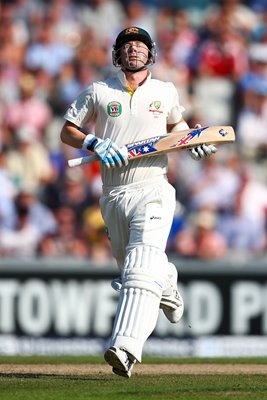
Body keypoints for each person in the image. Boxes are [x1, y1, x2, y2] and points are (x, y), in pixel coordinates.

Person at [60, 26, 217, 378]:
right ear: (117, 54)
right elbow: (67, 129)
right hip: (113, 194)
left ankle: (125, 347)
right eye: (127, 45)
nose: (134, 50)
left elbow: (177, 127)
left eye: (140, 46)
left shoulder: (165, 90)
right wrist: (93, 143)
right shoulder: (99, 91)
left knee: (140, 266)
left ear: (151, 53)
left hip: (153, 187)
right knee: (133, 268)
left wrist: (195, 141)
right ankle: (167, 281)